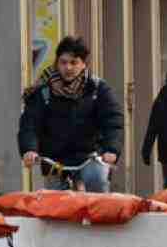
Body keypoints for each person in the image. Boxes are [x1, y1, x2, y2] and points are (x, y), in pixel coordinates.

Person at [19, 36, 124, 192]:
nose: (68, 67)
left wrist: (111, 149)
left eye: (73, 62)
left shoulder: (97, 89)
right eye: (63, 62)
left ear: (83, 64)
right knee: (54, 205)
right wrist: (29, 149)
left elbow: (113, 121)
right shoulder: (44, 91)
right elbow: (29, 124)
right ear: (57, 63)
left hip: (90, 157)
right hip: (55, 161)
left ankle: (101, 217)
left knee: (98, 184)